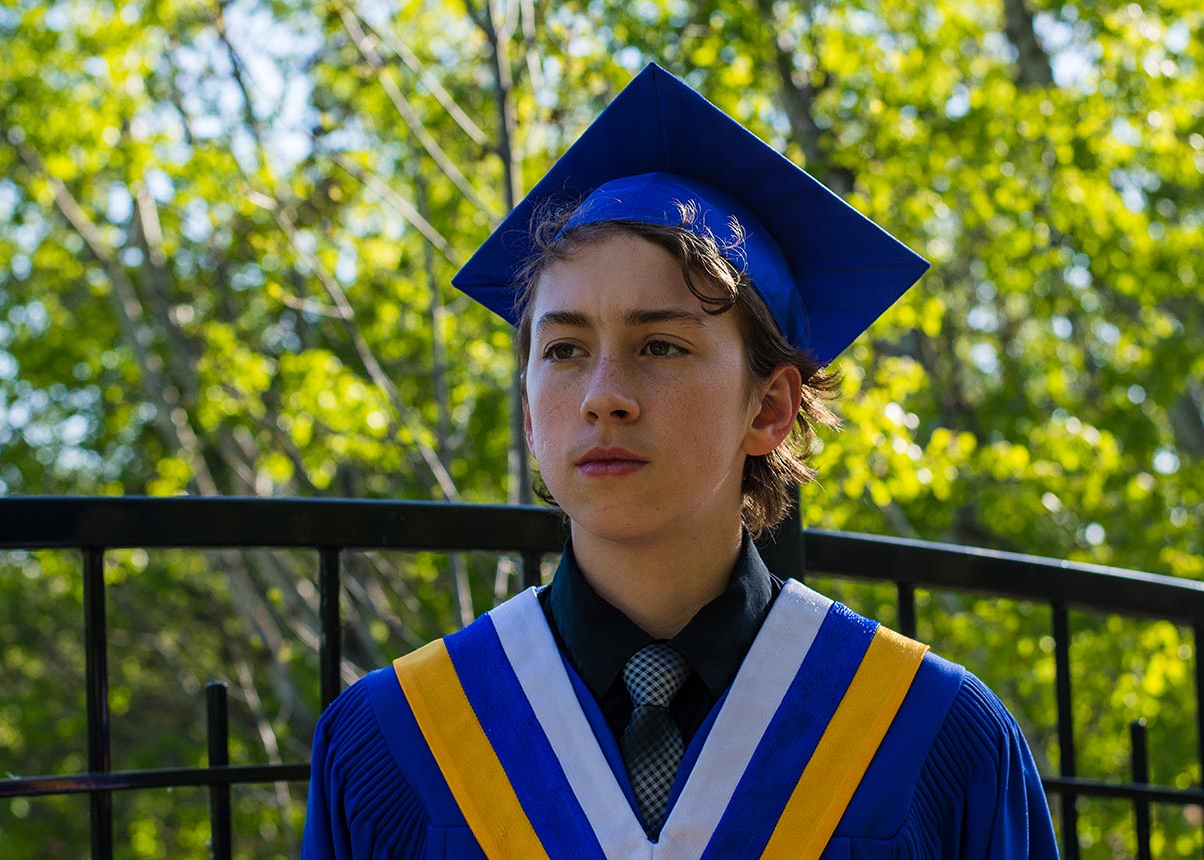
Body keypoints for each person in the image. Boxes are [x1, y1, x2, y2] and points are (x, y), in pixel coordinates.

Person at [301, 64, 1059, 859]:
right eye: (562, 351)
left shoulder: (931, 741)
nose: (603, 397)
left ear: (769, 409)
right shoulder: (396, 745)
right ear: (528, 413)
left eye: (659, 345)